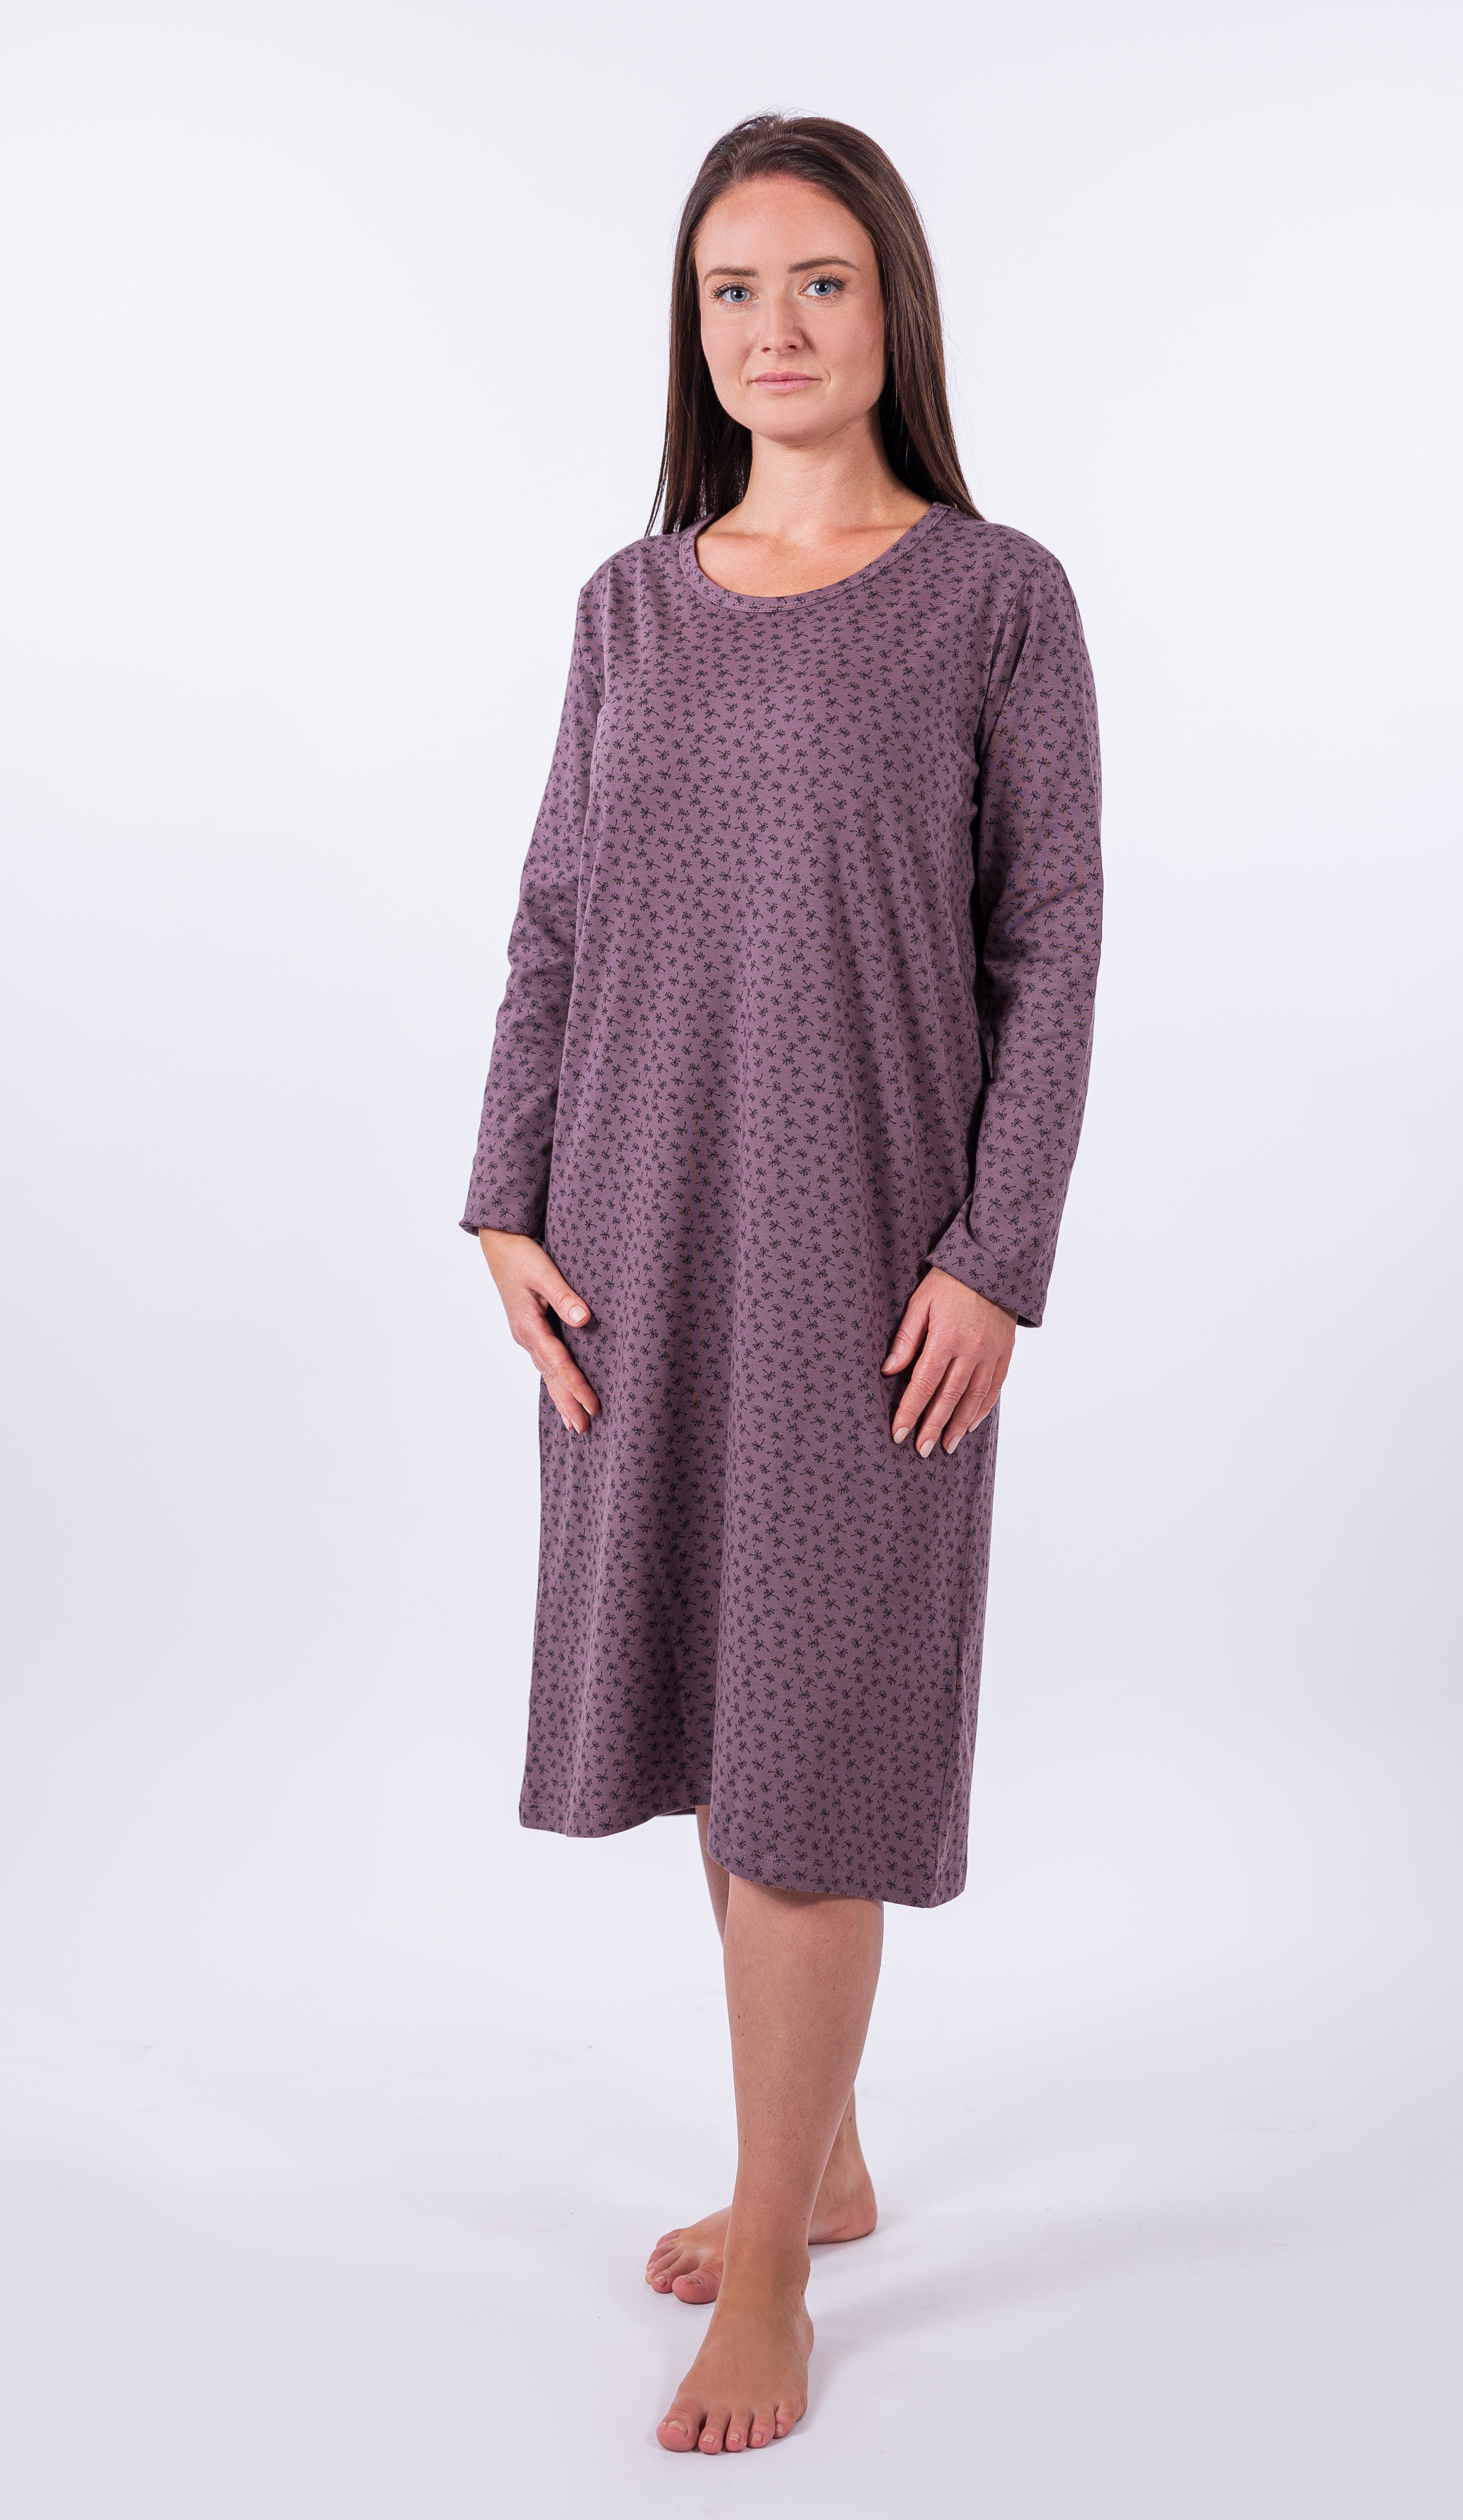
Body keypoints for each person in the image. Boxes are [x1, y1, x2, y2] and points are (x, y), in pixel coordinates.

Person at [461, 112, 1103, 2455]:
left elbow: (1055, 941)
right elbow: (554, 917)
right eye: (733, 289)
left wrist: (996, 1256)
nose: (775, 328)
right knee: (723, 1701)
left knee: (817, 1733)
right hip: (636, 1233)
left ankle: (769, 2270)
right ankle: (812, 2156)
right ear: (693, 327)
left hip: (869, 1256)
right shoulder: (628, 606)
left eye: (819, 281)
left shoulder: (996, 596)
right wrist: (508, 1202)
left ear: (891, 305)